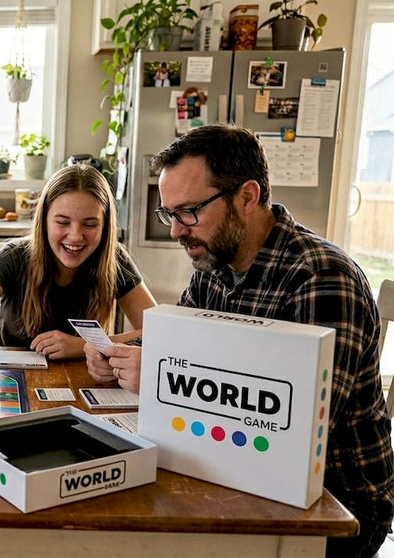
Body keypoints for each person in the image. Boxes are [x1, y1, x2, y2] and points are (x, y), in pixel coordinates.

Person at [84, 124, 394, 557]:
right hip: (236, 469)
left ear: (247, 197)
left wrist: (159, 376)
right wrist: (121, 354)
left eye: (188, 212)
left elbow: (301, 423)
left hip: (335, 505)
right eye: (169, 214)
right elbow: (177, 339)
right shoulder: (215, 262)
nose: (176, 231)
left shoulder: (321, 277)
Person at [0, 164, 157, 398]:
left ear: (105, 226)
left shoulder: (114, 260)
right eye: (62, 222)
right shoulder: (14, 257)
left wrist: (81, 345)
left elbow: (159, 332)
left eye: (90, 224)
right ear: (44, 219)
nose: (75, 236)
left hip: (83, 388)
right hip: (10, 387)